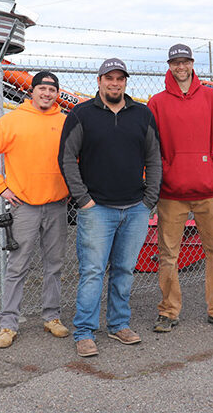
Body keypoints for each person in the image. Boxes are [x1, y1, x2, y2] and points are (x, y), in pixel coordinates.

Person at [58, 58, 162, 357]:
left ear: (125, 82)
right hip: (97, 209)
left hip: (135, 208)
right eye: (109, 78)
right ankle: (85, 331)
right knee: (92, 272)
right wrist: (84, 200)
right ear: (99, 81)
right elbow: (66, 158)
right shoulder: (81, 114)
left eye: (120, 79)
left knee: (125, 270)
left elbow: (154, 157)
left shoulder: (142, 114)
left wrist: (149, 199)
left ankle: (118, 325)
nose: (114, 83)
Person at [0, 71, 71, 349]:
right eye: (42, 88)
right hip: (25, 207)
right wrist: (1, 187)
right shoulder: (13, 120)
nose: (47, 93)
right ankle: (8, 324)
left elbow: (77, 157)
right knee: (18, 266)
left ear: (57, 94)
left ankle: (51, 317)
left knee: (54, 265)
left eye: (52, 89)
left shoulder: (65, 122)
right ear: (32, 91)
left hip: (57, 205)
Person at [147, 44, 213, 333]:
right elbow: (152, 146)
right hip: (171, 194)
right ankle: (169, 311)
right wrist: (166, 172)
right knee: (168, 254)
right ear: (169, 65)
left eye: (185, 62)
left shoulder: (212, 97)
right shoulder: (157, 102)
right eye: (175, 62)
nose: (180, 67)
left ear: (192, 63)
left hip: (208, 191)